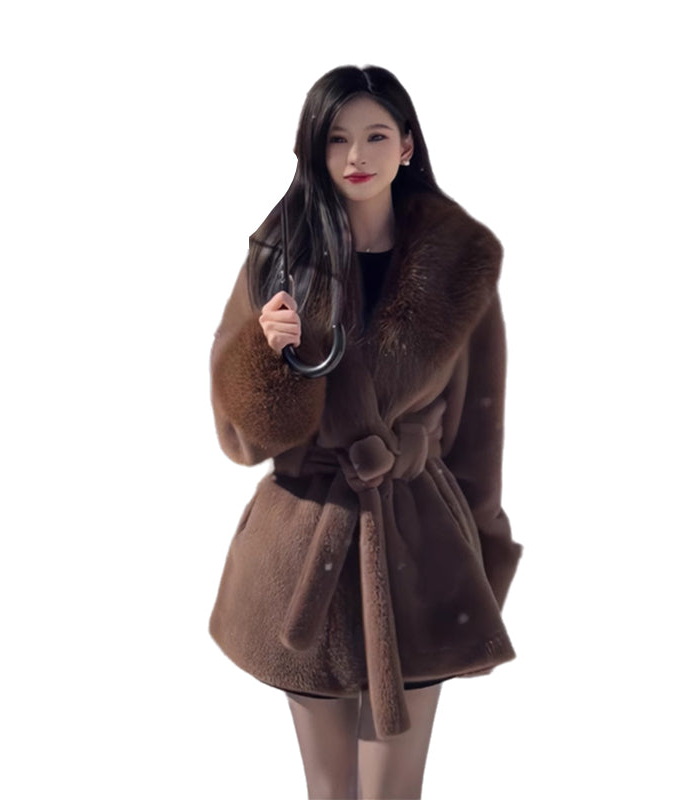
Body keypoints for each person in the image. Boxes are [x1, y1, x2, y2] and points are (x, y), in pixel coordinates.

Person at [208, 65, 522, 800]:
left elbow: (479, 433)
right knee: (329, 793)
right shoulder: (279, 257)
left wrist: (481, 553)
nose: (356, 155)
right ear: (312, 149)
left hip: (418, 546)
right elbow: (239, 439)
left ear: (407, 145)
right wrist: (267, 357)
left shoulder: (459, 266)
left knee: (393, 794)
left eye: (376, 135)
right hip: (302, 553)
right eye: (336, 138)